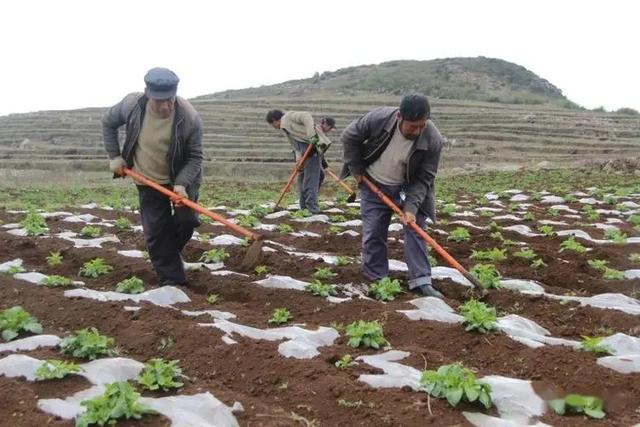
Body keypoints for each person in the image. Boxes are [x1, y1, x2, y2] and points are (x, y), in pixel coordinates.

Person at [103, 67, 203, 288]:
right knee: (157, 231)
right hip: (146, 177)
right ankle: (172, 281)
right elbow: (108, 123)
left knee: (186, 222)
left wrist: (181, 184)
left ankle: (170, 254)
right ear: (148, 94)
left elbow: (195, 157)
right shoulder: (131, 105)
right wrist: (115, 157)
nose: (166, 106)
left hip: (180, 179)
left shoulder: (189, 118)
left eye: (170, 100)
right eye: (160, 101)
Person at [341, 93, 444, 297]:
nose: (417, 130)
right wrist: (357, 169)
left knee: (416, 228)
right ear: (399, 117)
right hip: (374, 182)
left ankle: (421, 281)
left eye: (422, 125)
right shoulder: (379, 119)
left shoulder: (433, 139)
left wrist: (411, 209)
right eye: (412, 126)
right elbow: (349, 136)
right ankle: (377, 279)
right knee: (374, 232)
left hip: (408, 187)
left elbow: (424, 178)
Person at [266, 110, 334, 214]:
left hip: (311, 150)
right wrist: (298, 161)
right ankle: (305, 207)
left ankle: (312, 209)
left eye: (272, 124)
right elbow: (296, 147)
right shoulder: (286, 129)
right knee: (304, 179)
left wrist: (311, 135)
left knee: (312, 179)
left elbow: (306, 116)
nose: (273, 127)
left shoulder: (288, 117)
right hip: (304, 153)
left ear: (274, 120)